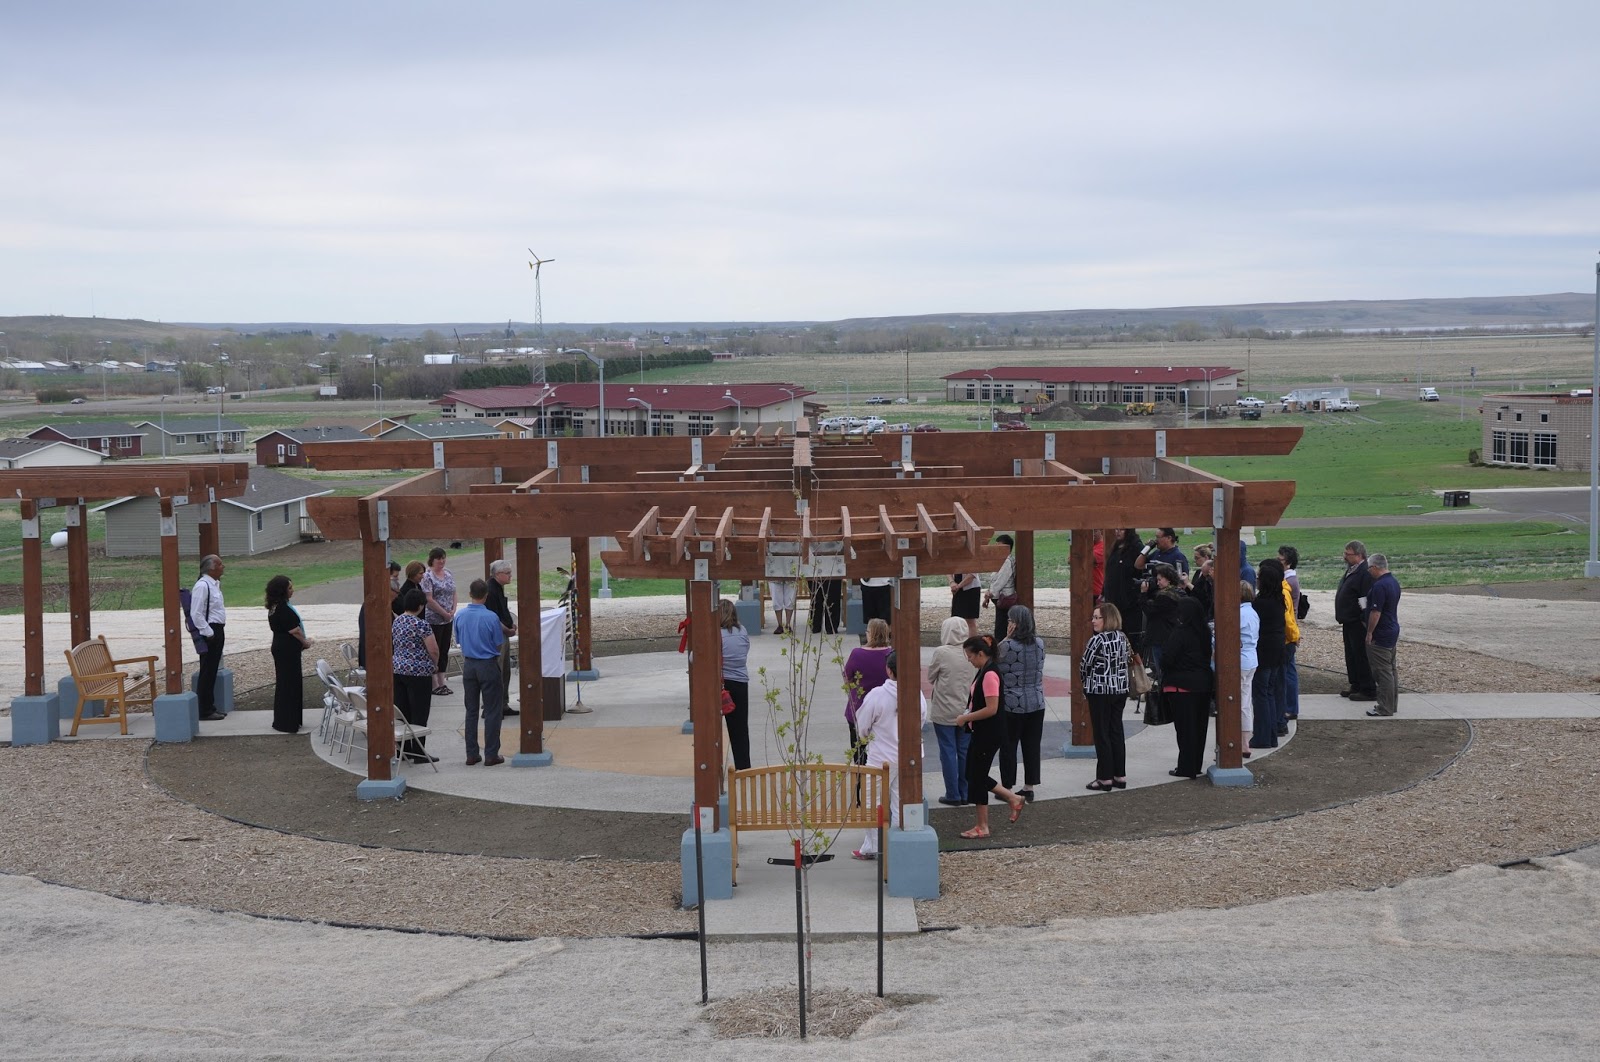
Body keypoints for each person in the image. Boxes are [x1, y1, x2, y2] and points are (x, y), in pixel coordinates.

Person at [850, 651, 928, 861]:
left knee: (873, 802)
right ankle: (896, 844)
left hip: (881, 758)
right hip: (909, 757)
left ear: (888, 670)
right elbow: (921, 721)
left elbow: (862, 727)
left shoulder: (877, 695)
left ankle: (873, 846)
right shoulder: (916, 694)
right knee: (899, 802)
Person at [954, 635, 1025, 838]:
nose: (969, 659)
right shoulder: (984, 671)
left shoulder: (990, 674)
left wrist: (965, 717)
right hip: (983, 731)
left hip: (989, 733)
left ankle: (983, 825)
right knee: (973, 774)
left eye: (970, 655)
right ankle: (1012, 799)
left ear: (981, 653)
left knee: (975, 776)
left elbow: (992, 708)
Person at [996, 604, 1045, 803]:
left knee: (1008, 746)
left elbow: (993, 662)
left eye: (1010, 620)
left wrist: (1006, 638)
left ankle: (1007, 786)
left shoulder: (1007, 646)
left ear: (1015, 624)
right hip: (1036, 700)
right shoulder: (1040, 643)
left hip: (1012, 703)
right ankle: (1029, 786)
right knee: (1032, 746)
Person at [1080, 602, 1131, 791]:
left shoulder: (1098, 640)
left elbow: (1085, 665)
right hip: (1120, 689)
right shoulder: (1122, 637)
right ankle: (1120, 775)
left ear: (1106, 619)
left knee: (1102, 734)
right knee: (1116, 731)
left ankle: (1104, 777)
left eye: (1097, 617)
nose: (1093, 621)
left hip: (1100, 690)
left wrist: (1085, 683)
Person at [454, 579, 506, 766]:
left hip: (469, 664)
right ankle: (491, 753)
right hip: (487, 663)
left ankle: (471, 753)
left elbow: (458, 639)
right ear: (486, 596)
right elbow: (498, 642)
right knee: (492, 710)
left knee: (471, 710)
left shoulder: (459, 615)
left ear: (470, 594)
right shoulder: (491, 617)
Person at [1163, 595, 1214, 779]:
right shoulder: (1205, 632)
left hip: (1181, 685)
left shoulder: (1180, 632)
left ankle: (1185, 766)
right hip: (1203, 684)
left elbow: (1167, 658)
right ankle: (1196, 764)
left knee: (1185, 730)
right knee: (1200, 728)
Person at [928, 616, 974, 806]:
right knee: (964, 751)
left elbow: (931, 677)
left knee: (948, 752)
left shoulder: (941, 652)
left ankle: (952, 793)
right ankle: (965, 792)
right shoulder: (971, 651)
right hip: (967, 709)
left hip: (944, 709)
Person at [391, 588, 439, 763]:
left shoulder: (397, 622)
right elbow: (433, 649)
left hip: (398, 670)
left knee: (403, 712)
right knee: (419, 713)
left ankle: (403, 750)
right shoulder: (421, 624)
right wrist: (434, 664)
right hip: (418, 673)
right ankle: (419, 752)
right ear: (420, 606)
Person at [265, 574, 312, 734]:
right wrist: (306, 642)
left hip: (281, 647)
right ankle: (288, 722)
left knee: (285, 683)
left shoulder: (274, 606)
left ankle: (285, 719)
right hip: (287, 649)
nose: (292, 591)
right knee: (290, 683)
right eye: (290, 588)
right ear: (282, 591)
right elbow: (295, 630)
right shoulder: (283, 608)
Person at [842, 618, 893, 761]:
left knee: (859, 752)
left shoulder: (857, 654)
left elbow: (847, 678)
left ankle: (860, 782)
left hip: (858, 706)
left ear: (871, 634)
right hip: (885, 708)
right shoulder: (891, 654)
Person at [1250, 558, 1288, 748]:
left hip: (1264, 652)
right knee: (1269, 692)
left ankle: (1262, 736)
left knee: (1261, 694)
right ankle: (1271, 734)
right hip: (1277, 650)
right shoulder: (1278, 599)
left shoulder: (1261, 603)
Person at [1334, 540, 1377, 702]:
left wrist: (1362, 619)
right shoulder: (1352, 570)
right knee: (1351, 655)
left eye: (1348, 554)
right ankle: (1356, 684)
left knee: (1360, 655)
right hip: (1348, 621)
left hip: (1357, 623)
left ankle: (1368, 688)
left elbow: (1364, 598)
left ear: (1359, 555)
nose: (1345, 557)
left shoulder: (1365, 573)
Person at [189, 554, 228, 722]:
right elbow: (196, 613)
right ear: (211, 568)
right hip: (210, 632)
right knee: (207, 671)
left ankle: (210, 707)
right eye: (219, 564)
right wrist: (209, 632)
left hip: (217, 629)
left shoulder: (214, 585)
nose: (223, 567)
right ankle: (204, 710)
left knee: (212, 670)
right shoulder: (202, 586)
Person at [1364, 553, 1403, 717]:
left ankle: (1384, 707)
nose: (1368, 572)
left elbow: (1376, 612)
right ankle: (1391, 704)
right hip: (1392, 629)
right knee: (1391, 669)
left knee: (1382, 671)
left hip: (1381, 633)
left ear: (1374, 567)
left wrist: (1369, 632)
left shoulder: (1380, 586)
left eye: (1369, 568)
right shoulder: (1393, 582)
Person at [718, 598, 752, 770]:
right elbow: (746, 650)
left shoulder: (716, 634)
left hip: (722, 683)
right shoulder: (742, 630)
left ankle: (712, 762)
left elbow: (696, 657)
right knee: (740, 728)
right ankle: (744, 765)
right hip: (741, 682)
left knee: (712, 726)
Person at [485, 559, 519, 715]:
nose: (511, 576)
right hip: (497, 638)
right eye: (508, 573)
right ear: (498, 574)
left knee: (505, 672)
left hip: (504, 634)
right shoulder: (490, 590)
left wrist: (511, 625)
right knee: (497, 673)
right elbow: (492, 618)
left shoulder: (498, 588)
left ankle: (503, 704)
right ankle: (492, 707)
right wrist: (507, 629)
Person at [421, 548, 457, 696]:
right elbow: (429, 599)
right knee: (433, 650)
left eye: (443, 558)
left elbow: (454, 592)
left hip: (448, 619)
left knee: (444, 649)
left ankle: (443, 681)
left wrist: (453, 610)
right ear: (432, 560)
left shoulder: (448, 573)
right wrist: (443, 613)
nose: (441, 561)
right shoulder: (427, 576)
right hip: (434, 619)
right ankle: (434, 683)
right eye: (438, 559)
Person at [1103, 529, 1145, 647]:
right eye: (1116, 529)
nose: (1117, 532)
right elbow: (1110, 572)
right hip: (1112, 599)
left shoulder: (1136, 547)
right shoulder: (1116, 547)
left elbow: (1140, 570)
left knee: (1129, 639)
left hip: (1128, 602)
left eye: (1121, 529)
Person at [1278, 545, 1303, 720]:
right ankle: (1290, 706)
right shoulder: (1289, 578)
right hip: (1290, 628)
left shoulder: (1290, 581)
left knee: (1288, 671)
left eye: (1280, 559)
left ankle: (1291, 707)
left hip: (1288, 630)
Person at [1238, 580, 1260, 755]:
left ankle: (1241, 740)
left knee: (1237, 701)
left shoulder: (1240, 614)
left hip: (1241, 659)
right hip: (1251, 658)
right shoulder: (1252, 613)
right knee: (1245, 701)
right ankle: (1245, 740)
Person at [983, 533, 1017, 642]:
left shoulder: (1007, 561)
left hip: (1004, 598)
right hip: (999, 598)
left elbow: (1001, 580)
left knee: (1001, 627)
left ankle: (1001, 649)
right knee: (1000, 626)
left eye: (1000, 546)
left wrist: (990, 593)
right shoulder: (1001, 561)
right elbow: (995, 579)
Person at [950, 570, 981, 638]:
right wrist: (952, 582)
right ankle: (958, 643)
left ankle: (971, 645)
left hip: (971, 588)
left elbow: (973, 574)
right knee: (956, 618)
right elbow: (947, 567)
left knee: (970, 620)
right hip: (957, 587)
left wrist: (958, 586)